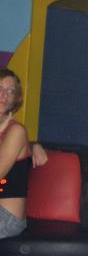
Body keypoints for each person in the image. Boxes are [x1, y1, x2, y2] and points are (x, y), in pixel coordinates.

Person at [0, 68, 47, 239]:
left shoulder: (16, 131)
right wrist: (34, 145)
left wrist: (34, 145)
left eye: (10, 91)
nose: (4, 96)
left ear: (15, 99)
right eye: (0, 88)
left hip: (6, 217)